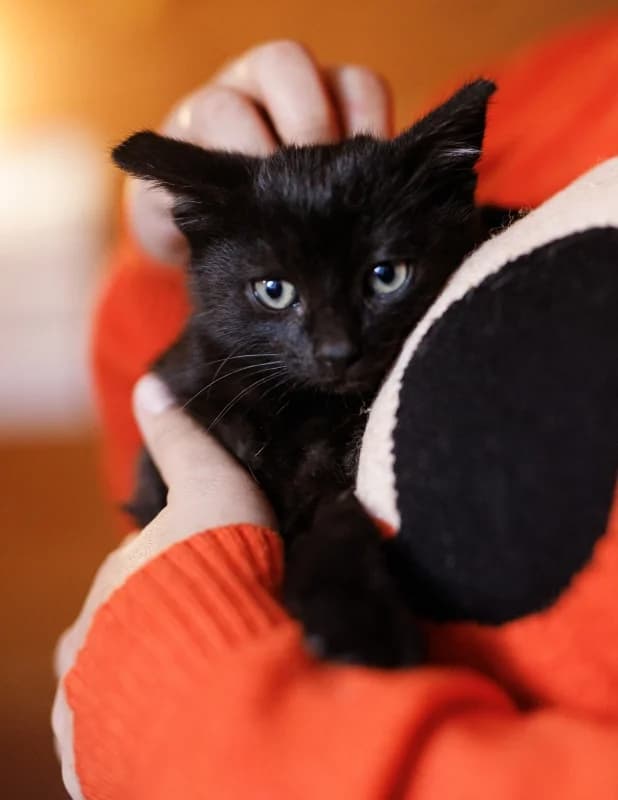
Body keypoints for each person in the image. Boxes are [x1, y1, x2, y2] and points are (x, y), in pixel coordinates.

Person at [53, 21, 618, 800]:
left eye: (384, 278)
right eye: (276, 292)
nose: (336, 347)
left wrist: (184, 703)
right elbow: (148, 444)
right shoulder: (551, 80)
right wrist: (160, 261)